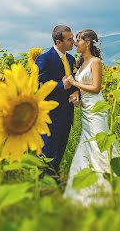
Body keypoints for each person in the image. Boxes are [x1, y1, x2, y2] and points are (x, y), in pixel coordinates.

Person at [63, 29, 120, 206]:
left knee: (99, 143)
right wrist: (77, 97)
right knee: (88, 143)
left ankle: (107, 188)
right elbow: (84, 87)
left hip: (97, 108)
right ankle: (88, 189)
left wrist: (74, 83)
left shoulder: (95, 62)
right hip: (86, 109)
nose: (75, 43)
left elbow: (96, 88)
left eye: (79, 40)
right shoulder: (81, 63)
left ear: (88, 43)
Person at [35, 25, 79, 181]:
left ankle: (53, 185)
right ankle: (42, 188)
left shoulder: (71, 59)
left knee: (59, 153)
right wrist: (62, 86)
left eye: (73, 38)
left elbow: (74, 82)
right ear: (58, 42)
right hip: (50, 116)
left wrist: (75, 92)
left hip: (67, 115)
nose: (73, 42)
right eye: (69, 39)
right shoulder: (44, 59)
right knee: (46, 154)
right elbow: (40, 86)